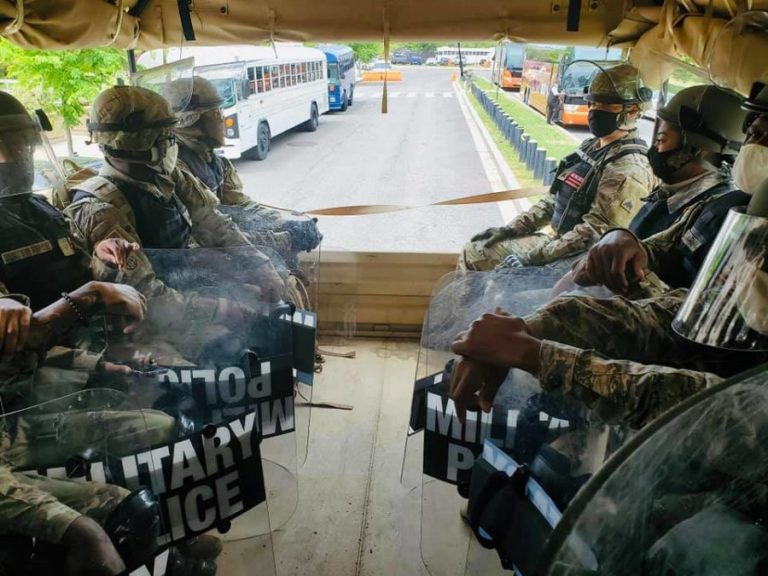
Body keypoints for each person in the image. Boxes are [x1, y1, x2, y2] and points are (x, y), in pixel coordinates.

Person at [448, 85, 768, 430]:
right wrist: (525, 330)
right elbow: (673, 312)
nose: (755, 266)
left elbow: (721, 409)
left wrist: (534, 354)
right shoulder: (734, 213)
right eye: (754, 131)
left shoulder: (644, 172)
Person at [64, 84, 285, 303]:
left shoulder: (166, 176)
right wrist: (228, 309)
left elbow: (211, 222)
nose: (172, 142)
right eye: (165, 135)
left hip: (191, 286)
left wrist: (258, 265)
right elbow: (149, 297)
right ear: (138, 142)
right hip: (165, 312)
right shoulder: (100, 209)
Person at [556, 84, 750, 298]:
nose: (654, 149)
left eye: (661, 140)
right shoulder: (672, 191)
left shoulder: (714, 216)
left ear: (698, 149)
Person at [462, 63, 655, 271]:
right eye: (592, 103)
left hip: (584, 260)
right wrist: (510, 229)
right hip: (560, 243)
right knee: (477, 249)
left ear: (633, 111)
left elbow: (594, 233)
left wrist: (531, 258)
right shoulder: (592, 148)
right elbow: (554, 201)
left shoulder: (628, 169)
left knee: (482, 258)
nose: (594, 111)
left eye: (606, 106)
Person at [165, 76, 323, 267]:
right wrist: (285, 239)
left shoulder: (214, 161)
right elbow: (215, 232)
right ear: (190, 122)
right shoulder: (176, 168)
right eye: (215, 113)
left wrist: (283, 223)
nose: (222, 119)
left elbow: (241, 208)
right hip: (203, 263)